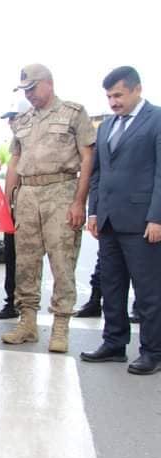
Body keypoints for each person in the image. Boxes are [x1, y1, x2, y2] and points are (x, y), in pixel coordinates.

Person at [2, 64, 96, 353]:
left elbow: (87, 156)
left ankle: (60, 327)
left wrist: (79, 201)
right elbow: (14, 162)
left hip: (61, 190)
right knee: (26, 262)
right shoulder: (22, 120)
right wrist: (7, 201)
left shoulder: (73, 112)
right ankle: (27, 323)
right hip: (28, 193)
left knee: (62, 260)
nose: (28, 95)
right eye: (25, 90)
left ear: (48, 83)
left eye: (32, 88)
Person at [81, 66, 161, 375]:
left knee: (149, 291)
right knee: (111, 285)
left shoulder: (155, 120)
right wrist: (94, 211)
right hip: (110, 221)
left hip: (143, 222)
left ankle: (153, 351)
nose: (113, 102)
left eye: (118, 95)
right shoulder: (106, 126)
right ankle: (114, 343)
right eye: (109, 96)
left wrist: (157, 217)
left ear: (137, 89)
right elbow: (99, 173)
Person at [0, 98, 32, 320]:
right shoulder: (16, 140)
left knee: (28, 260)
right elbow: (12, 170)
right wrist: (7, 204)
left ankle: (27, 307)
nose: (10, 122)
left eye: (13, 117)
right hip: (15, 205)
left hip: (36, 206)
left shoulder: (38, 137)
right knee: (11, 256)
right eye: (9, 118)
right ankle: (11, 302)